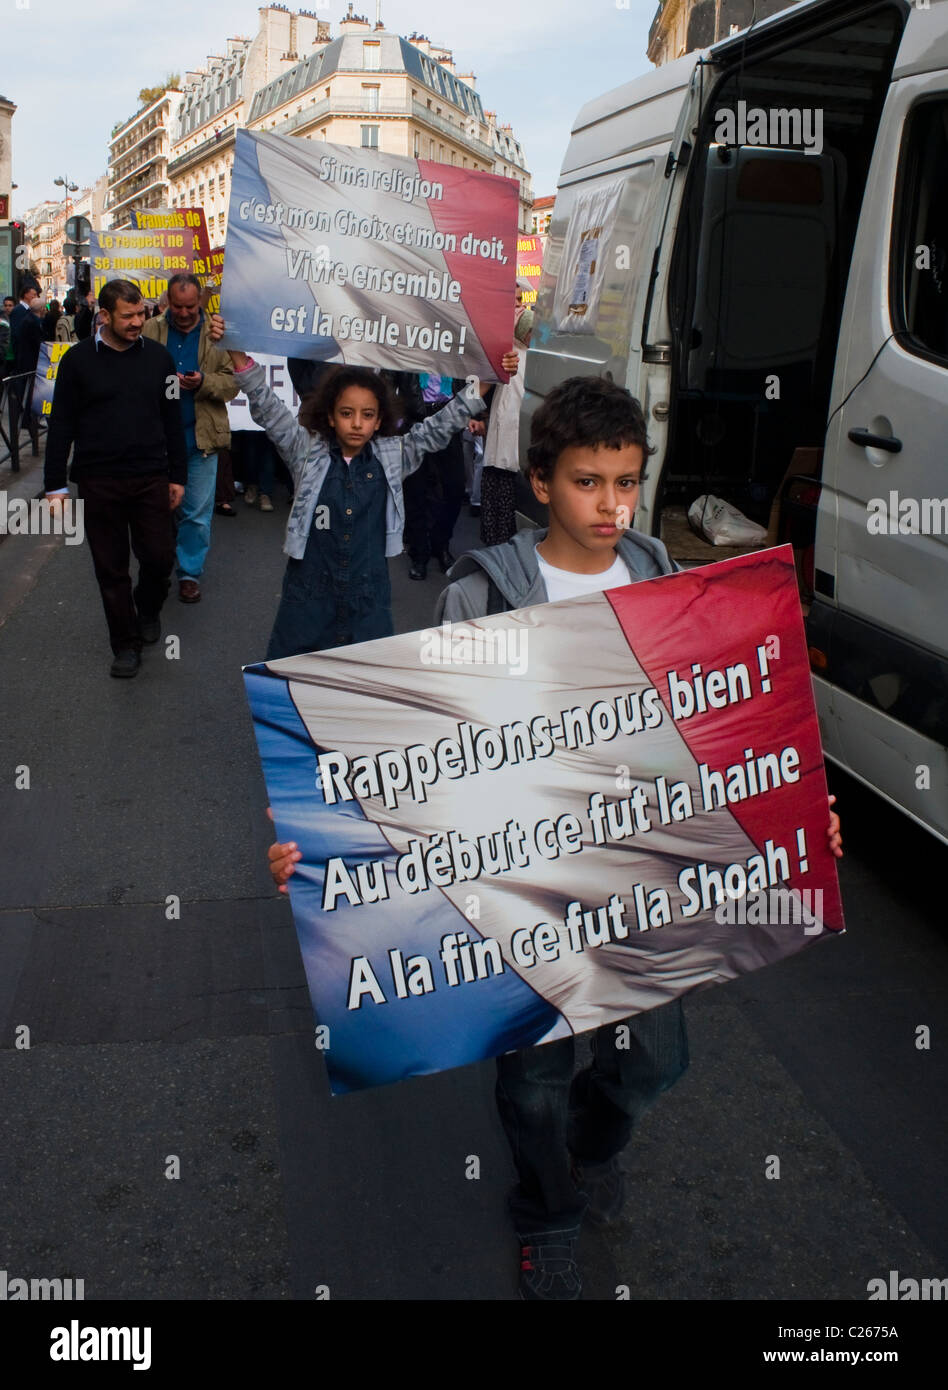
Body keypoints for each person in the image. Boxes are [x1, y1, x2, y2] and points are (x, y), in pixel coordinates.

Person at [268, 373, 844, 1300]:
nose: (611, 504)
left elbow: (729, 727)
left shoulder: (670, 580)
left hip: (645, 879)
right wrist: (325, 845)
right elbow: (418, 755)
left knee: (657, 1063)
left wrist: (798, 810)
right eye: (588, 482)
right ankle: (547, 1207)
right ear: (540, 482)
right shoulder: (481, 596)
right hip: (524, 891)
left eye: (626, 481)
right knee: (533, 1081)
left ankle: (588, 1144)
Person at [209, 310, 518, 659]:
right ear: (329, 415)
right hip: (307, 596)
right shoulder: (304, 450)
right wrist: (234, 349)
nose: (357, 423)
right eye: (346, 413)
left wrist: (489, 377)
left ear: (379, 419)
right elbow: (267, 406)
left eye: (367, 415)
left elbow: (439, 427)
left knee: (362, 689)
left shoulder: (394, 455)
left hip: (369, 598)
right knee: (296, 683)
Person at [44, 277, 187, 678]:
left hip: (151, 478)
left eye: (141, 313)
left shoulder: (160, 360)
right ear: (105, 316)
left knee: (159, 559)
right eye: (128, 316)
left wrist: (178, 475)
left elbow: (172, 420)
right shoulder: (77, 362)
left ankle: (148, 607)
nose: (138, 321)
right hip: (99, 481)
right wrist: (55, 485)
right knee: (111, 569)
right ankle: (125, 645)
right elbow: (61, 426)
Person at [143, 272, 238, 603]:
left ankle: (188, 574)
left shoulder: (218, 333)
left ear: (201, 301)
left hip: (200, 441)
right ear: (168, 301)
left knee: (196, 513)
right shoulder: (150, 330)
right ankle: (157, 568)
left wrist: (203, 383)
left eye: (190, 307)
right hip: (155, 441)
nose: (183, 313)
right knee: (156, 511)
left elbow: (233, 383)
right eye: (177, 306)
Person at [480, 283, 534, 546]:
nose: (517, 305)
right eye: (510, 300)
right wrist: (479, 417)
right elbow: (477, 387)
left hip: (521, 444)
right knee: (498, 515)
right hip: (500, 442)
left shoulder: (530, 349)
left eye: (519, 299)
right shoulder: (497, 343)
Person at [402, 372, 468, 580]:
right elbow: (388, 377)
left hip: (449, 419)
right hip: (416, 420)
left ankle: (441, 544)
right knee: (416, 491)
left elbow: (473, 376)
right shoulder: (410, 343)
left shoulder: (457, 346)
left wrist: (475, 415)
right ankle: (419, 553)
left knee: (454, 488)